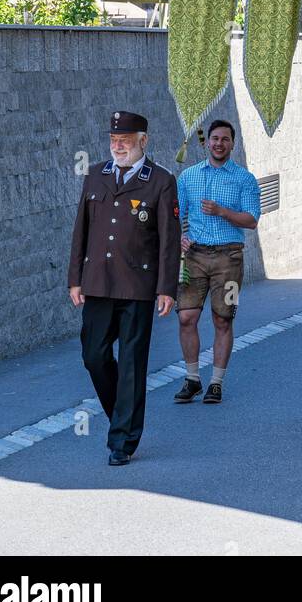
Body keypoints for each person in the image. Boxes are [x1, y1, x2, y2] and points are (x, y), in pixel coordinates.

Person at [68, 110, 181, 466]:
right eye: (115, 140)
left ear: (142, 142)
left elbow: (169, 239)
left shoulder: (160, 180)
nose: (119, 146)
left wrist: (167, 288)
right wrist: (75, 278)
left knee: (132, 363)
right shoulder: (94, 175)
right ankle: (123, 411)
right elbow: (80, 231)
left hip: (138, 286)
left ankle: (123, 441)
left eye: (126, 141)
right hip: (98, 282)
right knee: (94, 356)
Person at [173, 120, 261, 405]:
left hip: (229, 256)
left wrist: (222, 211)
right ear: (207, 142)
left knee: (223, 319)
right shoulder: (188, 177)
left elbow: (251, 220)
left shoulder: (244, 179)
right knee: (186, 317)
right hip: (194, 256)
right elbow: (175, 215)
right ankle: (192, 379)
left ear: (232, 144)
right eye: (215, 139)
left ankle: (216, 382)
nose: (219, 144)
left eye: (225, 139)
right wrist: (180, 239)